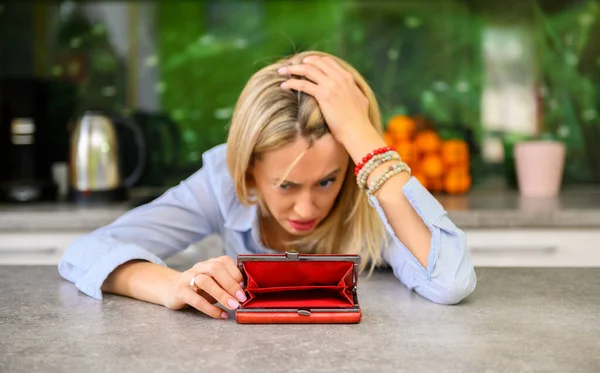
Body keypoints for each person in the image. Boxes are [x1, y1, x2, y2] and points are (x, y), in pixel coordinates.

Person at [58, 51, 476, 320]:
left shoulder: (368, 184)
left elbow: (450, 281)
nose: (307, 209)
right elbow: (84, 253)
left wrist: (362, 138)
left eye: (326, 180)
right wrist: (172, 284)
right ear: (248, 169)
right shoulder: (221, 181)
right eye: (285, 185)